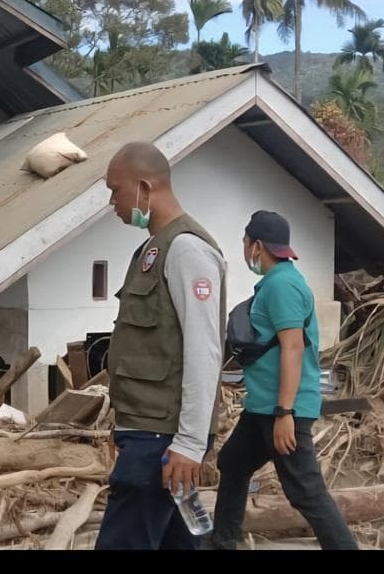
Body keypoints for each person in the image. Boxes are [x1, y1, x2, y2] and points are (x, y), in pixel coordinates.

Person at [95, 142, 227, 550]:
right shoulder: (153, 248)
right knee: (179, 542)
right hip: (147, 432)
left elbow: (204, 351)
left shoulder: (186, 250)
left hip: (164, 440)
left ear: (144, 187)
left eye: (115, 191)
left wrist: (189, 442)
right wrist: (124, 426)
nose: (113, 203)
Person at [209, 211, 358, 550]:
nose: (245, 250)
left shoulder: (283, 285)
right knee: (232, 462)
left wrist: (284, 413)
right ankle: (223, 541)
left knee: (307, 493)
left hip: (283, 407)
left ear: (258, 245)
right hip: (262, 406)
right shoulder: (275, 283)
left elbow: (292, 348)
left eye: (246, 244)